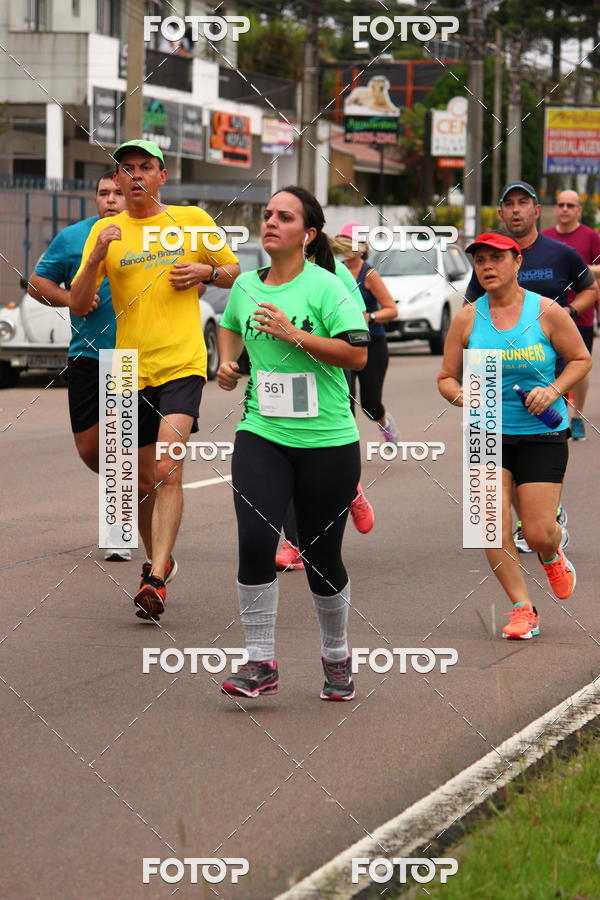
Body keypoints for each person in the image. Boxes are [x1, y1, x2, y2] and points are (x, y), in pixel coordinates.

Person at [71, 139, 240, 620]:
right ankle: (157, 560)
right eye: (128, 169)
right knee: (141, 482)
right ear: (119, 181)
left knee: (167, 467)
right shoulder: (106, 231)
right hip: (127, 368)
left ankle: (157, 576)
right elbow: (80, 302)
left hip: (183, 362)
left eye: (147, 167)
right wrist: (95, 257)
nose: (137, 175)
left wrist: (206, 270)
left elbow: (234, 269)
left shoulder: (190, 220)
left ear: (162, 176)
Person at [217, 185, 370, 700]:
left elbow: (356, 357)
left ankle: (336, 656)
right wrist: (227, 363)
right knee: (256, 541)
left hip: (328, 440)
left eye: (284, 217)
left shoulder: (330, 286)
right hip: (263, 432)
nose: (270, 223)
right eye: (266, 215)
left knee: (323, 557)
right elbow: (229, 326)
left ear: (307, 234)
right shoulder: (245, 286)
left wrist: (291, 334)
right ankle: (260, 662)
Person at [438, 232, 591, 640]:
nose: (486, 266)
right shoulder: (468, 317)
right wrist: (462, 396)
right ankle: (523, 608)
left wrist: (553, 390)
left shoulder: (546, 312)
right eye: (479, 260)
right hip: (485, 431)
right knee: (489, 525)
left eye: (496, 258)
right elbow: (445, 378)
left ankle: (551, 547)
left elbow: (581, 359)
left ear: (517, 261)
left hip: (541, 431)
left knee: (538, 531)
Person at [466, 181, 598, 553]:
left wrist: (569, 313)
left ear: (536, 211)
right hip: (507, 375)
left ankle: (545, 514)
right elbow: (471, 314)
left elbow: (590, 290)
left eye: (523, 203)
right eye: (509, 204)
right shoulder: (488, 260)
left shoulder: (561, 253)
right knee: (501, 470)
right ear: (502, 213)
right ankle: (533, 517)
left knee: (546, 443)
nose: (516, 210)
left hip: (554, 362)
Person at [27, 172, 130, 562]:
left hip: (130, 355)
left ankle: (119, 528)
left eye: (118, 193)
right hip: (86, 354)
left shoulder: (150, 235)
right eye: (103, 193)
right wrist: (70, 298)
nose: (111, 200)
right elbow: (38, 282)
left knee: (119, 443)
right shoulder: (73, 237)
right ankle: (132, 483)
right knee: (90, 449)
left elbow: (193, 283)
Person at [275, 239, 376, 572]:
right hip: (288, 379)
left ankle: (351, 490)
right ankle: (294, 543)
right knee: (287, 454)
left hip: (328, 379)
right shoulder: (270, 278)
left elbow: (358, 323)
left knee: (323, 459)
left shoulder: (336, 276)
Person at [331, 223, 399, 442]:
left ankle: (385, 423)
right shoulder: (334, 271)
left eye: (350, 242)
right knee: (345, 400)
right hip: (345, 344)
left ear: (360, 247)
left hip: (373, 344)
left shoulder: (368, 274)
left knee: (370, 405)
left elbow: (392, 309)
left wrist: (370, 317)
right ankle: (346, 447)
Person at [542, 190, 600, 440]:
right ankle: (559, 416)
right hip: (547, 317)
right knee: (552, 369)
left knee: (579, 369)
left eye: (570, 205)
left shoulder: (590, 237)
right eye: (560, 204)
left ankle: (577, 416)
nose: (564, 209)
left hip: (580, 315)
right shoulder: (544, 238)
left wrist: (578, 268)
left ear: (578, 210)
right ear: (555, 209)